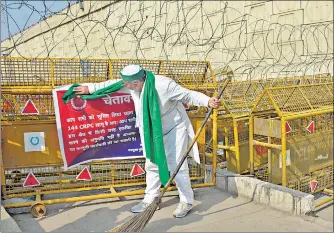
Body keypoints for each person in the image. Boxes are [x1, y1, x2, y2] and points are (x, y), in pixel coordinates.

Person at [74, 64, 221, 218]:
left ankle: (186, 201)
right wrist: (89, 88)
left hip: (174, 129)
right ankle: (151, 199)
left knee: (177, 164)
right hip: (152, 131)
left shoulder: (164, 85)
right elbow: (112, 85)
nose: (126, 87)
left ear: (138, 82)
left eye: (130, 85)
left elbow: (187, 95)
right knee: (152, 163)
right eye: (126, 84)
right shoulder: (131, 85)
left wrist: (208, 101)